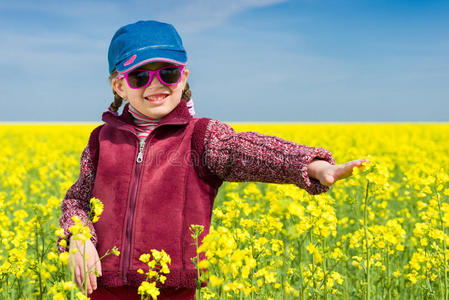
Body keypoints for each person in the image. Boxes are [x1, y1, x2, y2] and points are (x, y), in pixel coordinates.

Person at [57, 20, 368, 300]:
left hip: (173, 290)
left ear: (184, 76)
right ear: (119, 86)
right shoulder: (102, 140)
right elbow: (78, 200)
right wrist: (79, 237)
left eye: (167, 72)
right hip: (104, 288)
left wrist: (312, 165)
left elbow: (250, 150)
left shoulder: (201, 137)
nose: (156, 84)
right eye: (139, 76)